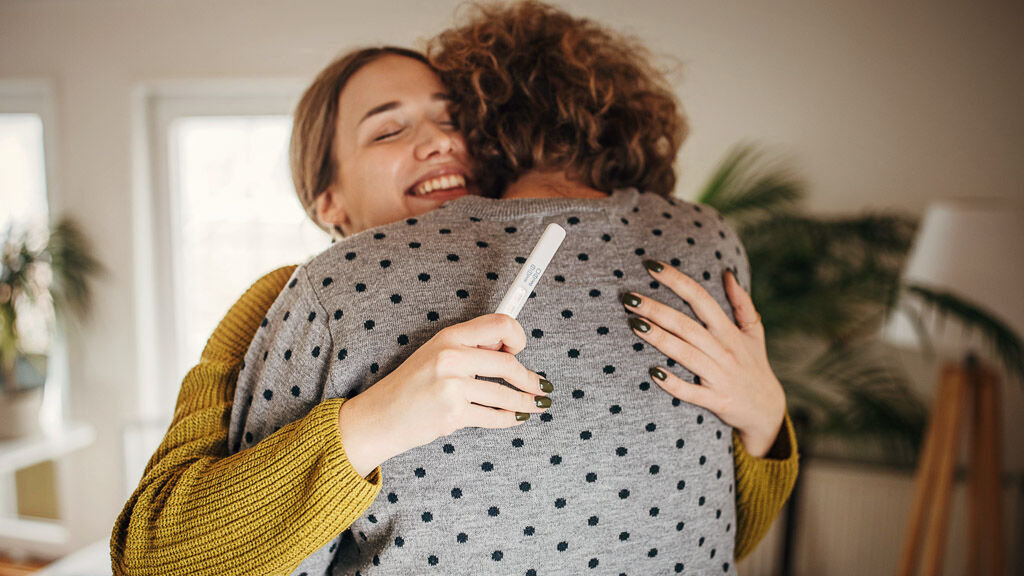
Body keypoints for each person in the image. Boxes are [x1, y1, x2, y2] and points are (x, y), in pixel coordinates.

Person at [110, 6, 797, 576]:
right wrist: (375, 419)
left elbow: (700, 535)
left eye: (451, 119)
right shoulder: (289, 302)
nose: (439, 142)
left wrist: (764, 419)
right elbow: (153, 557)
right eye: (389, 128)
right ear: (328, 201)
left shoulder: (530, 264)